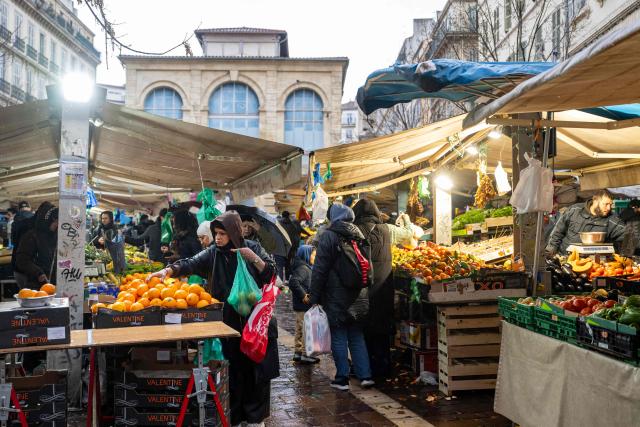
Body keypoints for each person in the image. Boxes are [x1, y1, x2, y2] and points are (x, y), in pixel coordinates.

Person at [148, 211, 278, 427]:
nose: (218, 238)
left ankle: (256, 419)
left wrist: (252, 259)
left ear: (234, 233)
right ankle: (235, 417)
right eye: (216, 233)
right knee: (234, 370)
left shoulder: (252, 248)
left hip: (253, 323)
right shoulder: (214, 253)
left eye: (223, 234)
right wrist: (170, 270)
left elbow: (271, 273)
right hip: (227, 323)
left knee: (256, 372)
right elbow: (191, 262)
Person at [309, 203, 373, 391]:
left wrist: (314, 296)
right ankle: (365, 376)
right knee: (356, 335)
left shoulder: (329, 236)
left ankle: (342, 378)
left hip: (337, 296)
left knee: (339, 335)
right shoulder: (360, 235)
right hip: (360, 294)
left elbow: (319, 269)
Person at [353, 199, 394, 380]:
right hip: (385, 288)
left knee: (366, 331)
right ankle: (384, 368)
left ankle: (369, 368)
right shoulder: (386, 230)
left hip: (366, 288)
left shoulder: (357, 231)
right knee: (383, 330)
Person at [545, 189, 626, 256]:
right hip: (565, 258)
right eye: (606, 204)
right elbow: (558, 232)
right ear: (595, 200)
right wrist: (550, 252)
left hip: (592, 264)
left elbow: (628, 235)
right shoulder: (574, 210)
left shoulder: (611, 220)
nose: (609, 208)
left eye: (611, 204)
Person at [14, 202, 58, 289]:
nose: (58, 225)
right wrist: (38, 273)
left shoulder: (54, 235)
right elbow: (22, 260)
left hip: (50, 283)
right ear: (49, 220)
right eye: (56, 221)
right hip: (34, 283)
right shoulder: (31, 235)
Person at [288, 245, 318, 364]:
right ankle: (306, 354)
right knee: (306, 329)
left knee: (300, 329)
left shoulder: (303, 267)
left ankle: (298, 352)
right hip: (303, 305)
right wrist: (303, 295)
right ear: (306, 254)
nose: (315, 257)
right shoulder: (304, 268)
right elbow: (293, 282)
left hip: (301, 305)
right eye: (313, 255)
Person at [10, 201, 35, 272]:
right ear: (29, 208)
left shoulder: (14, 223)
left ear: (19, 209)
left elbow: (13, 242)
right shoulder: (36, 220)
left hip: (17, 259)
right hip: (33, 261)